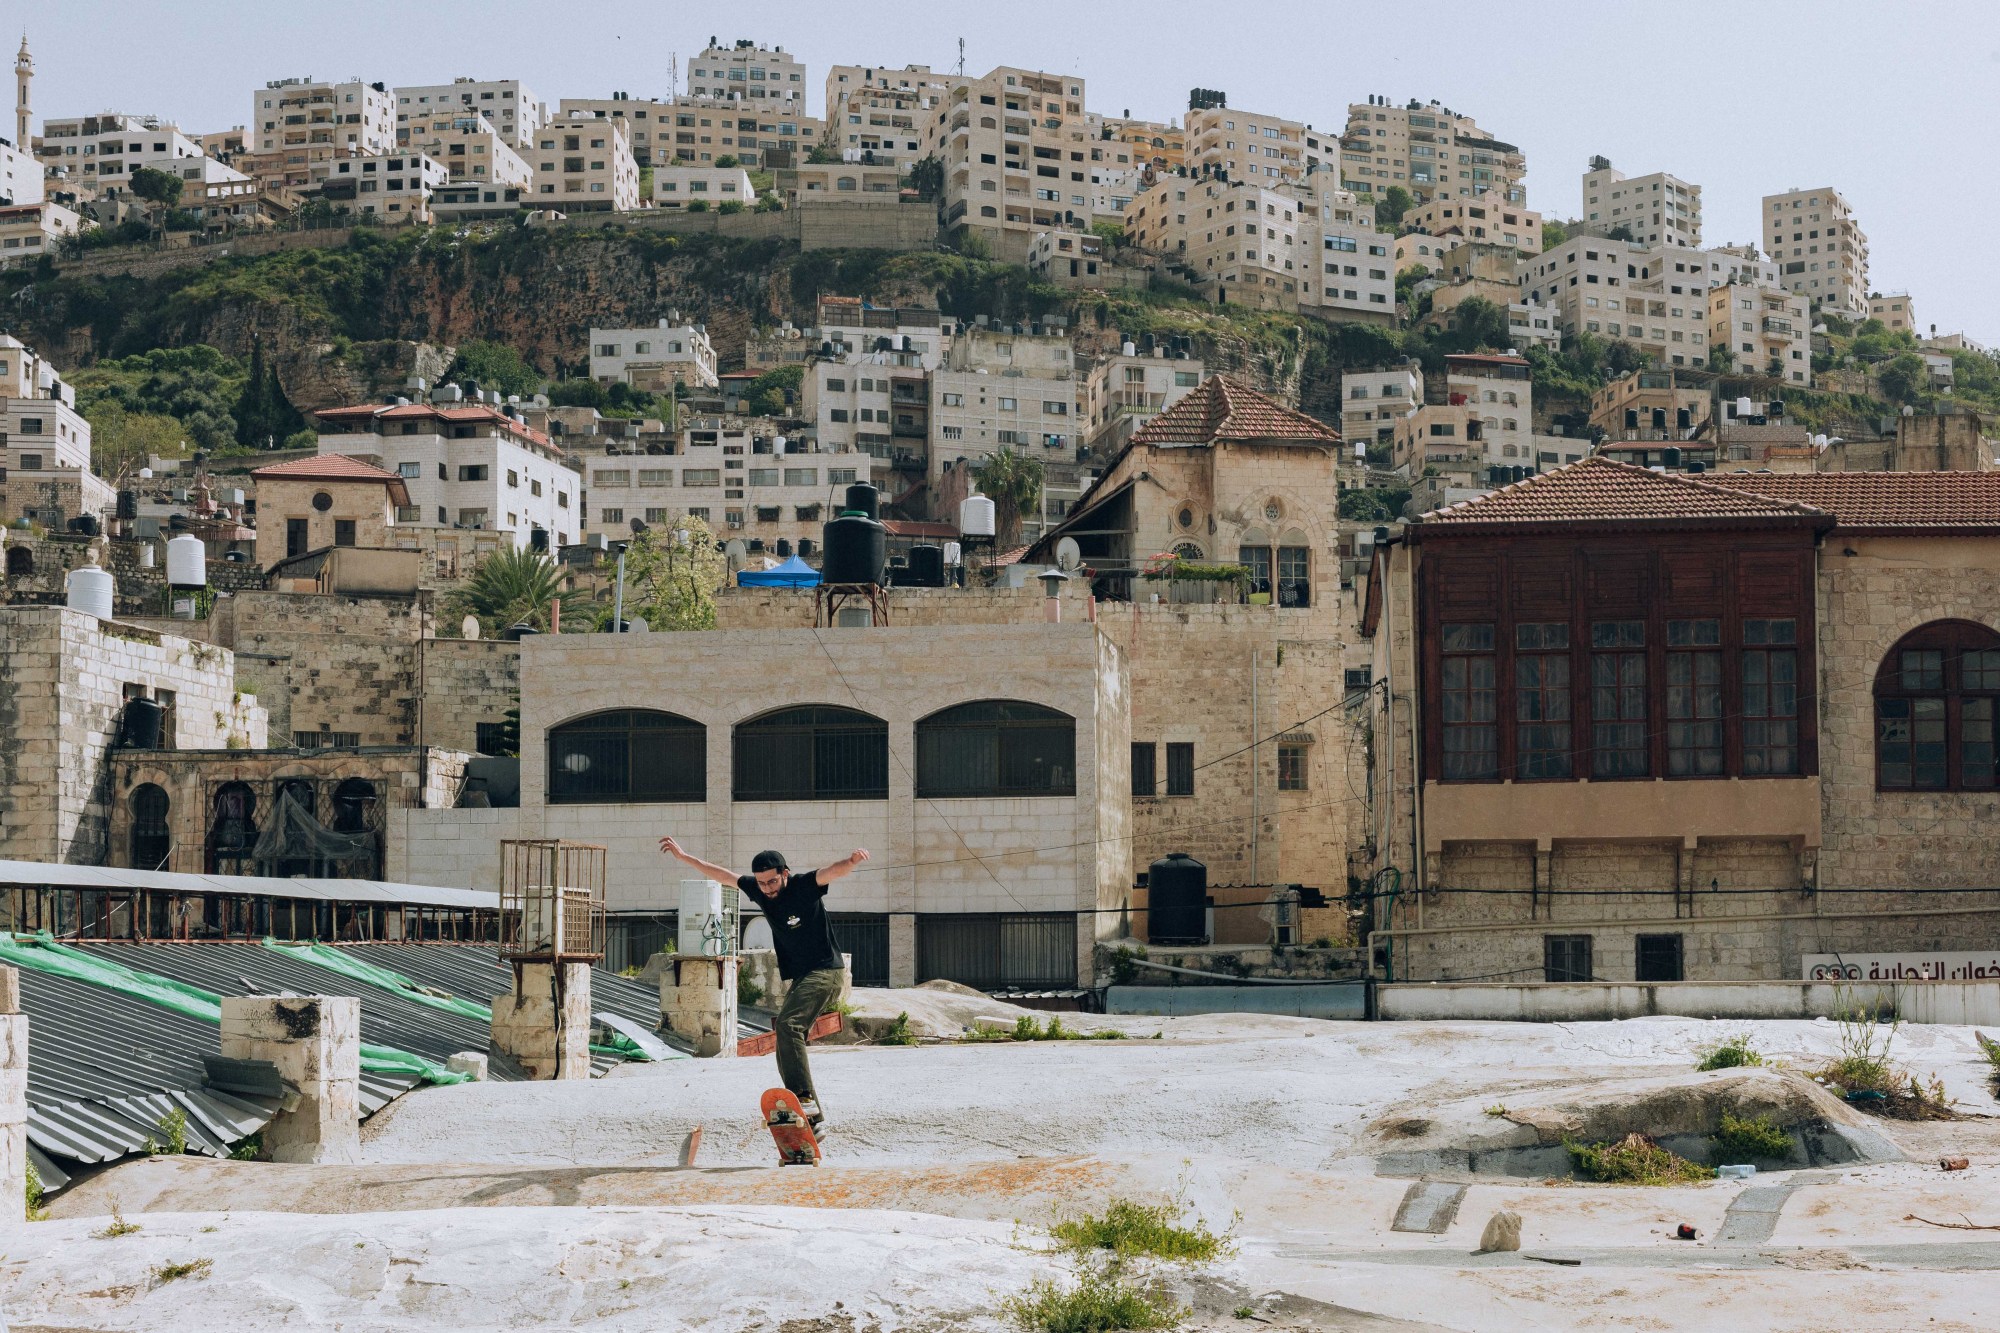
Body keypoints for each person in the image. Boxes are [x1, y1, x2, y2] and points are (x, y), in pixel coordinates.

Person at [658, 836, 869, 1130]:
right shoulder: (757, 890)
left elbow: (830, 872)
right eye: (761, 884)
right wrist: (684, 857)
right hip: (804, 975)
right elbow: (722, 874)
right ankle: (806, 1111)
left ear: (784, 873)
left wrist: (852, 861)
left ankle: (805, 1101)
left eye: (771, 882)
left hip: (826, 971)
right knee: (783, 1031)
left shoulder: (802, 886)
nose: (767, 889)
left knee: (788, 1026)